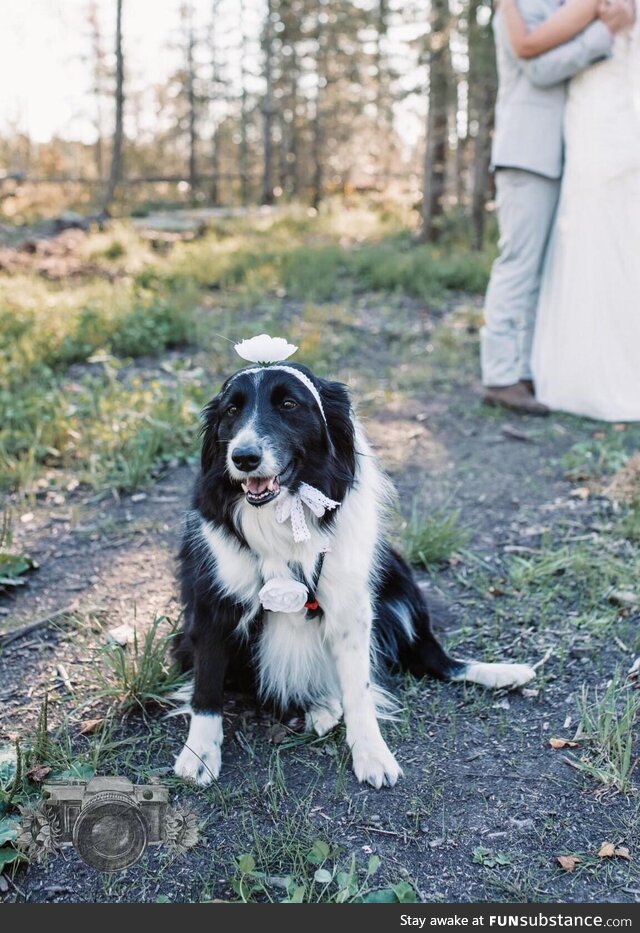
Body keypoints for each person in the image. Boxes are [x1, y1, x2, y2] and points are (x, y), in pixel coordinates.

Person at [480, 0, 635, 415]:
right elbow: (539, 69)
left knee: (541, 269)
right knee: (518, 263)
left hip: (556, 153)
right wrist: (604, 35)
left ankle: (525, 367)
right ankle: (500, 375)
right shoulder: (519, 7)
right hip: (528, 152)